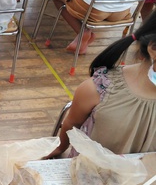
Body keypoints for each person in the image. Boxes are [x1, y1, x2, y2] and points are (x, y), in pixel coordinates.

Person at [44, 10, 156, 159]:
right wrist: (60, 148)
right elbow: (71, 124)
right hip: (92, 173)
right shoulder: (98, 89)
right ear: (153, 49)